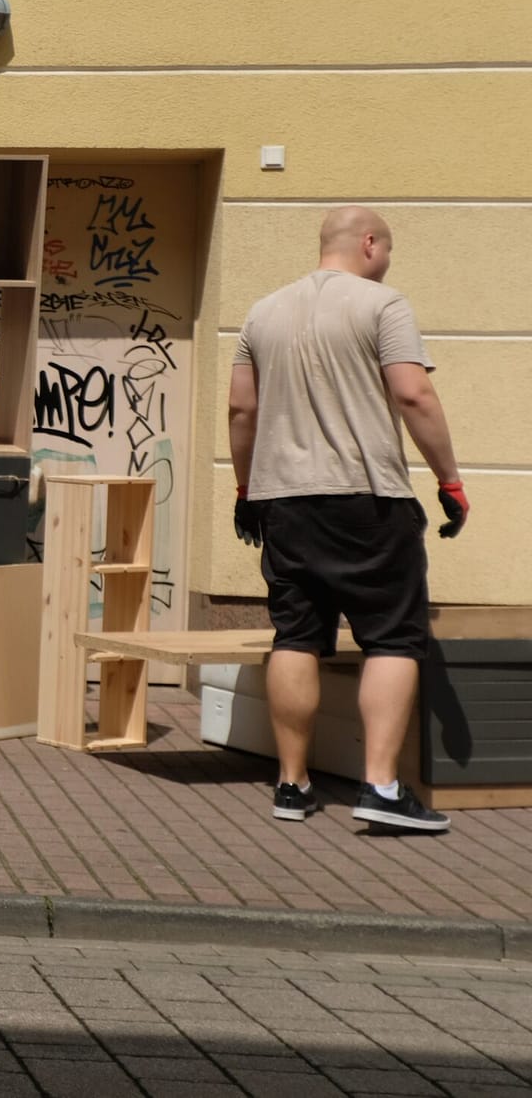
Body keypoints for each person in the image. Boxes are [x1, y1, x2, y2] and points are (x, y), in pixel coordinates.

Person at [228, 206, 468, 833]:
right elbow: (414, 394)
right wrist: (449, 479)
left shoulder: (262, 312)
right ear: (368, 243)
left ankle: (291, 783)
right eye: (386, 250)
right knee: (392, 638)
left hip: (283, 503)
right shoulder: (383, 304)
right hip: (368, 501)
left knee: (296, 636)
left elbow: (241, 411)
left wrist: (246, 489)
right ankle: (381, 788)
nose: (386, 261)